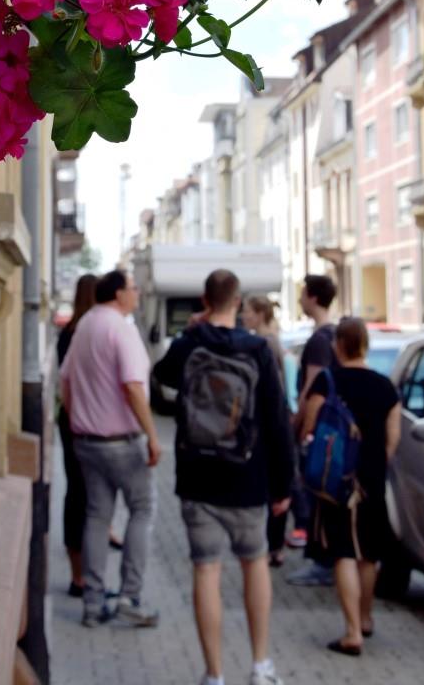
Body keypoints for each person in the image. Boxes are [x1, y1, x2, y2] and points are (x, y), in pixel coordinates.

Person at [154, 269, 294, 685]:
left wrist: (192, 330)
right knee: (255, 565)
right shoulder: (257, 349)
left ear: (203, 299)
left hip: (197, 476)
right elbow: (276, 420)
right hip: (248, 476)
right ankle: (260, 666)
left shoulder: (188, 344)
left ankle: (214, 675)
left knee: (206, 572)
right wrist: (283, 484)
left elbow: (160, 376)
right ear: (238, 303)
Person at [59, 269, 162, 628]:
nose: (137, 294)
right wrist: (152, 435)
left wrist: (78, 423)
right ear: (119, 294)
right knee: (142, 510)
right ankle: (131, 597)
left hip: (87, 442)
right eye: (133, 289)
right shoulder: (122, 328)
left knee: (97, 517)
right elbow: (133, 386)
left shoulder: (85, 324)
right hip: (122, 443)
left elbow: (65, 381)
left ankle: (92, 603)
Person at [301, 317, 402, 656]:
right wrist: (375, 462)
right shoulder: (386, 386)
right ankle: (366, 617)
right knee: (368, 553)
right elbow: (393, 438)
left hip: (336, 478)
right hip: (371, 477)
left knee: (343, 551)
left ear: (338, 345)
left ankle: (351, 632)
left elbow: (310, 428)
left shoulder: (327, 381)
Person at [285, 274, 338, 583]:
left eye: (303, 294)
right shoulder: (333, 334)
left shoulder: (319, 340)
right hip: (328, 429)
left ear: (313, 298)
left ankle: (322, 563)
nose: (300, 299)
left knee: (314, 492)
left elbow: (311, 387)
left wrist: (299, 423)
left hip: (316, 429)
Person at [241, 295, 296, 569]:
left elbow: (278, 386)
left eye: (248, 311)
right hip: (269, 417)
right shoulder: (262, 339)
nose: (244, 315)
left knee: (277, 480)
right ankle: (273, 543)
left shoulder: (266, 341)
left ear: (260, 313)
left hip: (270, 418)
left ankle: (275, 545)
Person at [56, 273, 98, 598]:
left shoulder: (68, 333)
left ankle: (77, 575)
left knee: (75, 494)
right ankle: (87, 576)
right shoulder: (92, 334)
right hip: (90, 424)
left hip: (69, 420)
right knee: (92, 500)